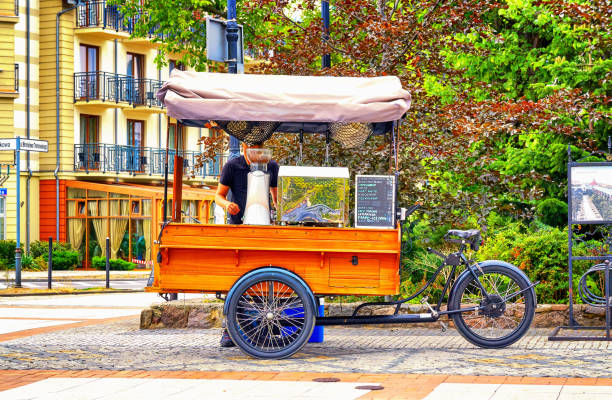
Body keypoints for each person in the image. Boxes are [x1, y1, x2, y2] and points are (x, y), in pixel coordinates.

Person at [215, 141, 279, 347]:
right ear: (243, 148)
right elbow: (218, 196)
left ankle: (263, 328)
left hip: (265, 230)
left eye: (261, 150)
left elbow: (276, 196)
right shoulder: (232, 166)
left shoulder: (272, 166)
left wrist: (281, 213)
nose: (258, 155)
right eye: (253, 149)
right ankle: (229, 330)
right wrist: (228, 205)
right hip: (238, 229)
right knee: (235, 280)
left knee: (263, 279)